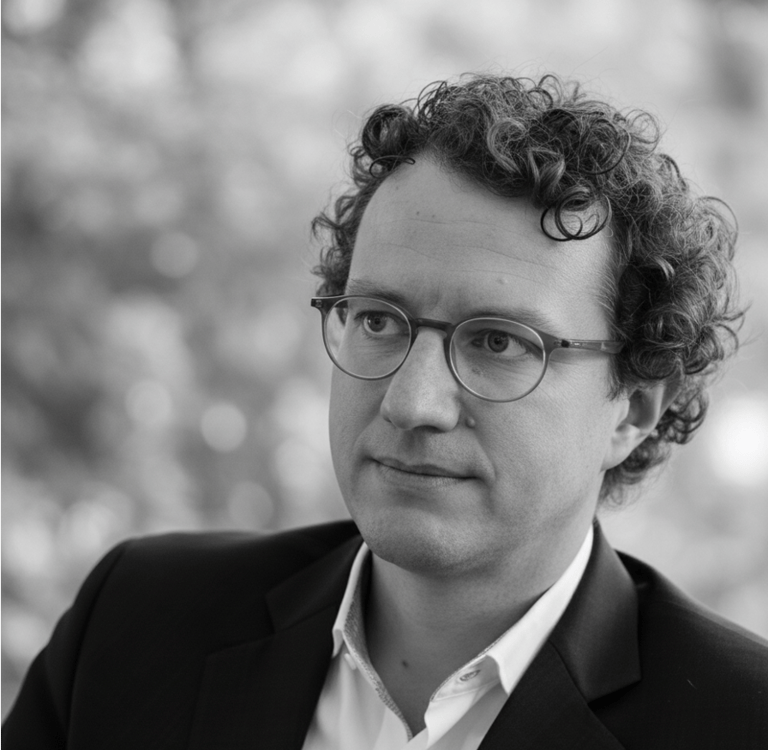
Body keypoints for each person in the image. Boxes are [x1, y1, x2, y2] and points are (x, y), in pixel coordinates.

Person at [4, 73, 767, 750]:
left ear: (633, 410)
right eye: (378, 320)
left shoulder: (741, 723)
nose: (411, 402)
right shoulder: (134, 625)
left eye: (498, 342)